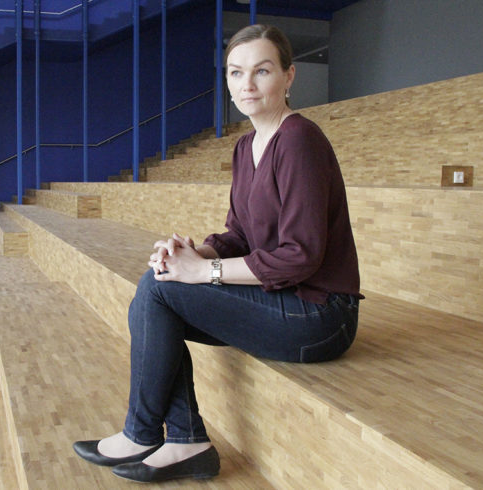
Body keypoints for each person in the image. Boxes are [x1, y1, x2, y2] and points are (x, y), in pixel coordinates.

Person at [73, 24, 362, 483]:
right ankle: (183, 441)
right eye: (236, 72)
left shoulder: (299, 140)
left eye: (262, 71)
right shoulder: (246, 146)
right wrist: (191, 252)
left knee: (160, 291)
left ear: (288, 76)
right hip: (282, 299)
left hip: (321, 315)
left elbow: (300, 256)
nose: (247, 84)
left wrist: (204, 271)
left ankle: (146, 433)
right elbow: (239, 233)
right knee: (160, 285)